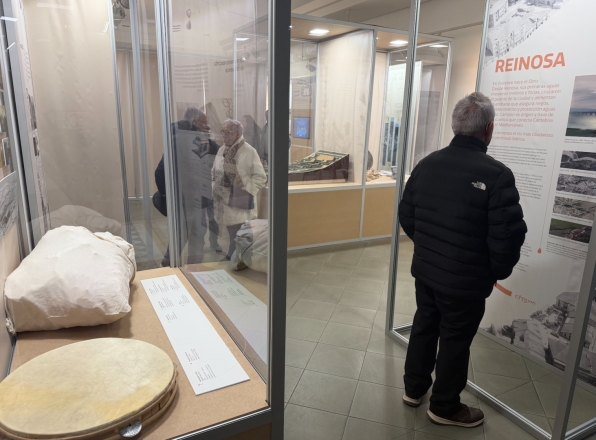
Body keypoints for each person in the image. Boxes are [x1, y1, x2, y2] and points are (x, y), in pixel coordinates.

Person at [398, 92, 527, 428]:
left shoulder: (427, 163)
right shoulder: (497, 175)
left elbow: (407, 215)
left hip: (427, 270)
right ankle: (444, 406)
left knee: (425, 325)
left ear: (455, 125)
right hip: (465, 281)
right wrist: (494, 271)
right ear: (489, 129)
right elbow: (507, 235)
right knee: (455, 338)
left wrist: (428, 247)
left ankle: (413, 389)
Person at [156, 107, 221, 266]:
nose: (207, 126)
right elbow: (160, 171)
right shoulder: (181, 139)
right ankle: (187, 266)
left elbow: (216, 151)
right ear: (195, 122)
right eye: (204, 123)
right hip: (187, 197)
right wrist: (167, 195)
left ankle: (176, 263)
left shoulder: (192, 138)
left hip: (192, 195)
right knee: (192, 232)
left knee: (188, 231)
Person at [212, 119, 267, 260]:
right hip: (225, 200)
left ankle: (238, 259)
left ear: (238, 134)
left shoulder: (249, 151)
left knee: (240, 233)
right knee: (231, 232)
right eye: (223, 132)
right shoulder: (222, 149)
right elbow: (214, 172)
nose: (224, 135)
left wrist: (244, 191)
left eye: (228, 132)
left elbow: (260, 177)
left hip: (240, 200)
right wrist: (215, 187)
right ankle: (234, 258)